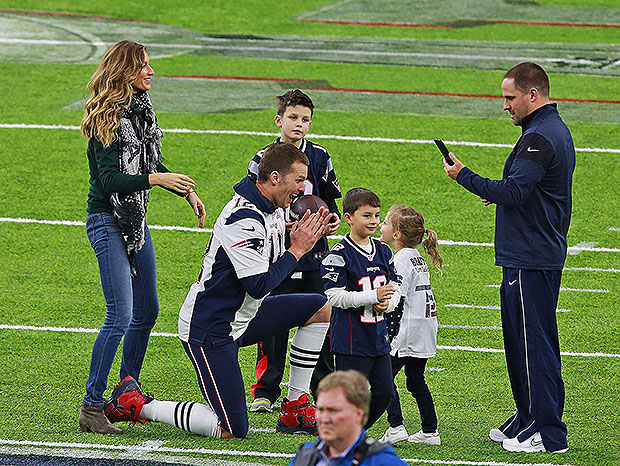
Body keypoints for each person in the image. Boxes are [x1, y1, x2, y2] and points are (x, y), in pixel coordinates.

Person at [443, 62, 574, 454]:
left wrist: (464, 175)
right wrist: (496, 190)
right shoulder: (545, 131)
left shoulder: (540, 137)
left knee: (535, 344)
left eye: (509, 97)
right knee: (521, 342)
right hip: (531, 251)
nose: (505, 106)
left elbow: (517, 192)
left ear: (532, 94)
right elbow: (523, 189)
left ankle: (547, 431)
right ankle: (528, 415)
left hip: (531, 255)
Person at [78, 40, 205, 435]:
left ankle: (125, 390)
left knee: (147, 310)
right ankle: (92, 407)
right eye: (144, 66)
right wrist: (155, 179)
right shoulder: (107, 117)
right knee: (119, 315)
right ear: (125, 71)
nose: (151, 71)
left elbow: (148, 161)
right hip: (107, 220)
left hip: (133, 223)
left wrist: (182, 187)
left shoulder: (142, 111)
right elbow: (109, 179)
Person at [178, 142, 333, 438]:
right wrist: (298, 249)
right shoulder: (243, 218)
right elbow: (259, 284)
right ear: (275, 178)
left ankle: (294, 408)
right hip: (212, 327)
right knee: (231, 429)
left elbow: (270, 247)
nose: (303, 188)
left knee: (319, 307)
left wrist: (299, 234)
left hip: (243, 318)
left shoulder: (271, 206)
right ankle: (139, 405)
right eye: (299, 180)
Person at [248, 90, 342, 413]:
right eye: (293, 117)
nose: (299, 124)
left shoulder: (320, 157)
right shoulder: (263, 158)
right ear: (279, 120)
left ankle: (319, 387)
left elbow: (331, 201)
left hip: (315, 252)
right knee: (272, 318)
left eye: (305, 119)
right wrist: (281, 228)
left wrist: (330, 221)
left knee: (319, 317)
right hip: (279, 251)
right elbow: (254, 202)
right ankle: (266, 388)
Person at [320, 188, 401, 429]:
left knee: (385, 393)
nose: (374, 221)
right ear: (348, 218)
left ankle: (354, 433)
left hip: (378, 338)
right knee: (347, 397)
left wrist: (387, 303)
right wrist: (371, 296)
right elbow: (334, 296)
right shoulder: (338, 254)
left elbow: (396, 286)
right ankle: (339, 438)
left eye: (377, 216)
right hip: (351, 341)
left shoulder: (384, 251)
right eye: (366, 216)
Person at [378, 205, 443, 446]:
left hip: (406, 332)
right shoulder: (416, 257)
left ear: (397, 234)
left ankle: (396, 426)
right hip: (424, 329)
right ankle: (429, 431)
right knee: (415, 379)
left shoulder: (402, 259)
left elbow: (397, 296)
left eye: (385, 223)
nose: (380, 226)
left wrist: (380, 313)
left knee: (384, 378)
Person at [289, 370, 408, 466]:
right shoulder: (305, 455)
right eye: (320, 409)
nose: (324, 419)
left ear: (358, 414)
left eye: (333, 410)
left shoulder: (383, 462)